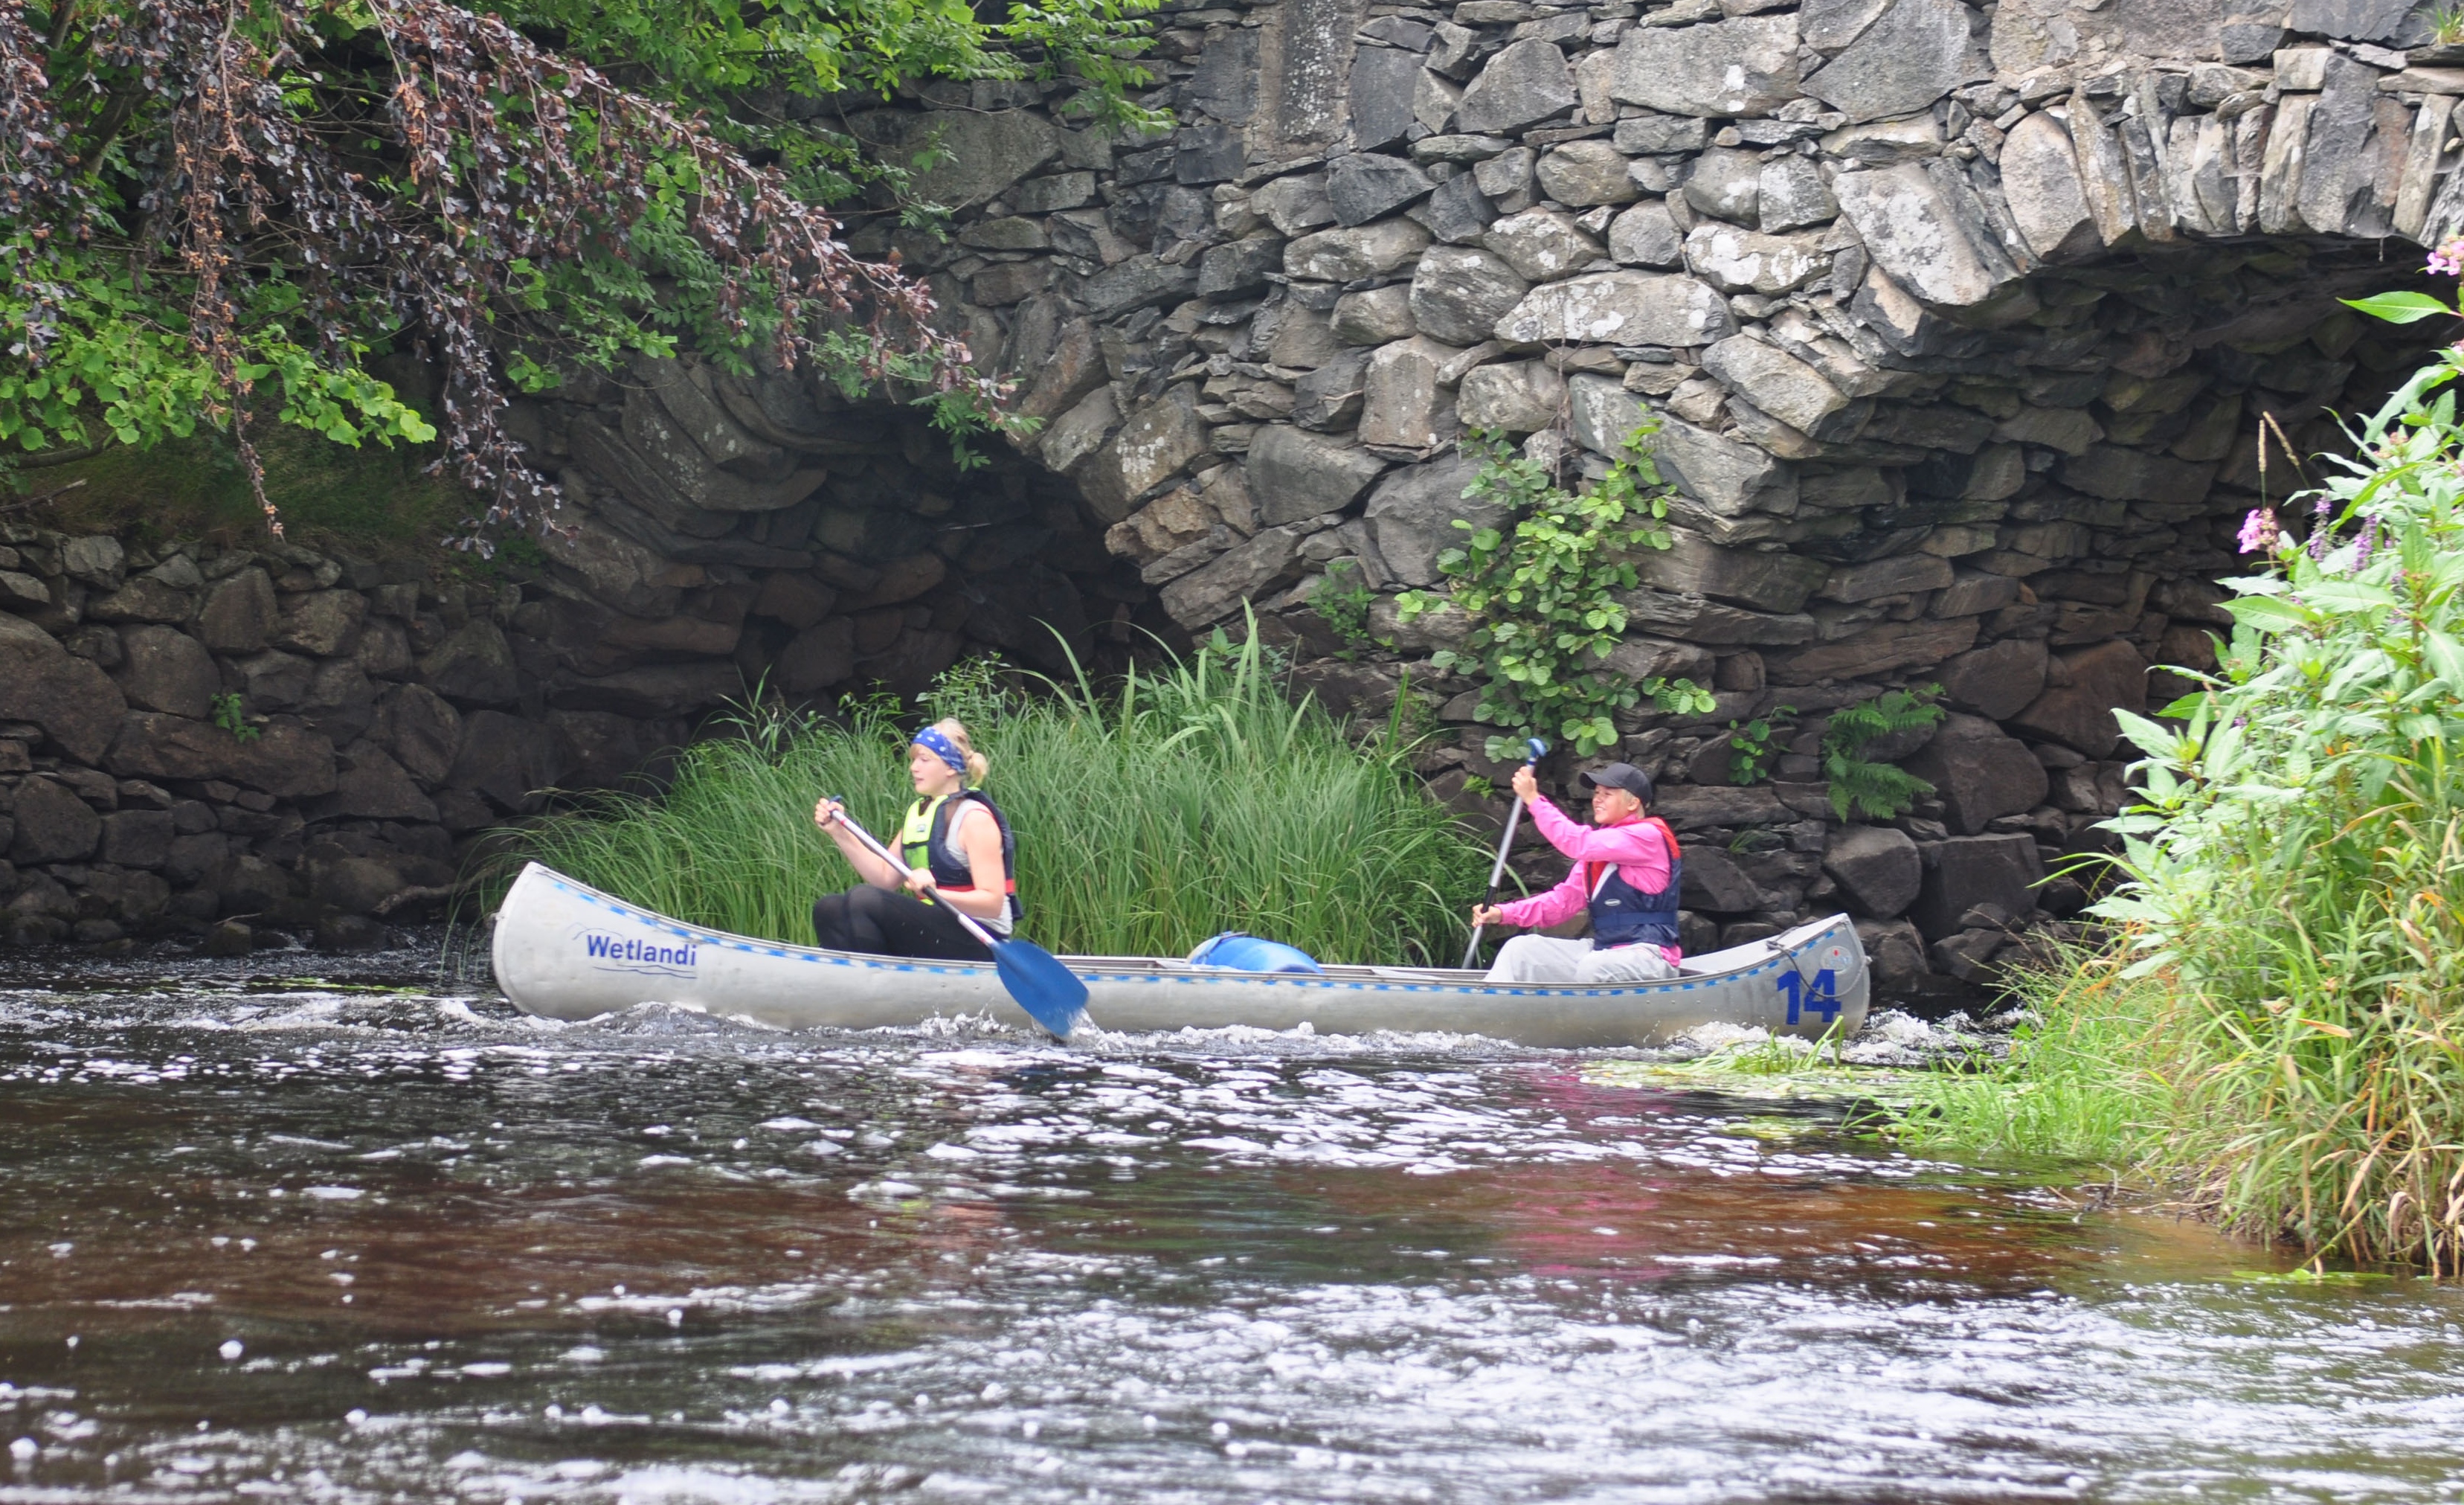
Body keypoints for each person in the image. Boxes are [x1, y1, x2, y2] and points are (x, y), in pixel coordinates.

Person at [810, 719, 1020, 960]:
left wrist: (936, 892)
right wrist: (839, 832)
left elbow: (992, 902)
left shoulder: (975, 819)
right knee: (830, 908)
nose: (914, 768)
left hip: (982, 936)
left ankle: (879, 984)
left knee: (863, 898)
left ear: (950, 767)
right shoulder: (919, 815)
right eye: (914, 760)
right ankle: (861, 984)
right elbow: (884, 878)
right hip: (941, 927)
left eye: (924, 759)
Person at [1471, 762, 1684, 985]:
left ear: (1633, 803)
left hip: (1649, 956)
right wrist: (1503, 914)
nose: (1597, 799)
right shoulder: (1599, 855)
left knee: (1595, 967)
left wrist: (1533, 799)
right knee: (1520, 950)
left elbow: (1577, 843)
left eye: (1607, 794)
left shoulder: (1646, 835)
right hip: (1605, 952)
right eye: (1597, 793)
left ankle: (1575, 1018)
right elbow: (1561, 902)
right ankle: (1486, 1008)